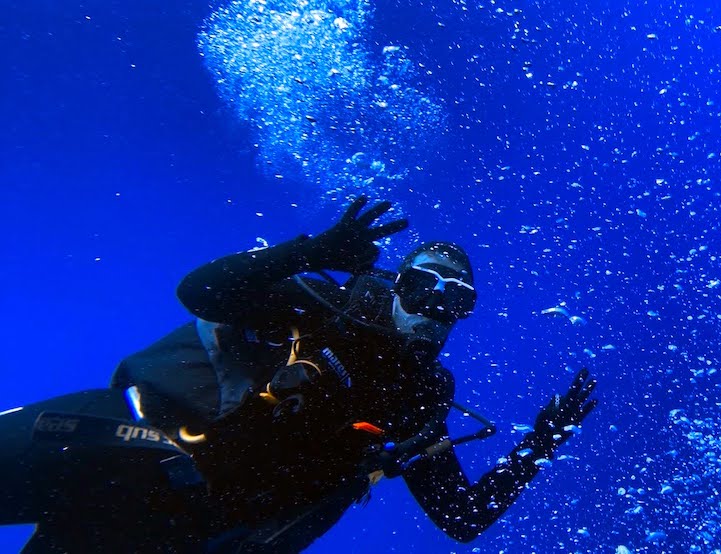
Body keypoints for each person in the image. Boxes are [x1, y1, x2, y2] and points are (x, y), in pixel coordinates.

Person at [0, 197, 597, 553]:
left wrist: (543, 444)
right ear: (395, 287)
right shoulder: (316, 307)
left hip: (191, 535)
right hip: (114, 449)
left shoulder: (418, 400)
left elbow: (461, 518)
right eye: (421, 288)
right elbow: (199, 292)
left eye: (454, 300)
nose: (432, 309)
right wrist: (313, 252)